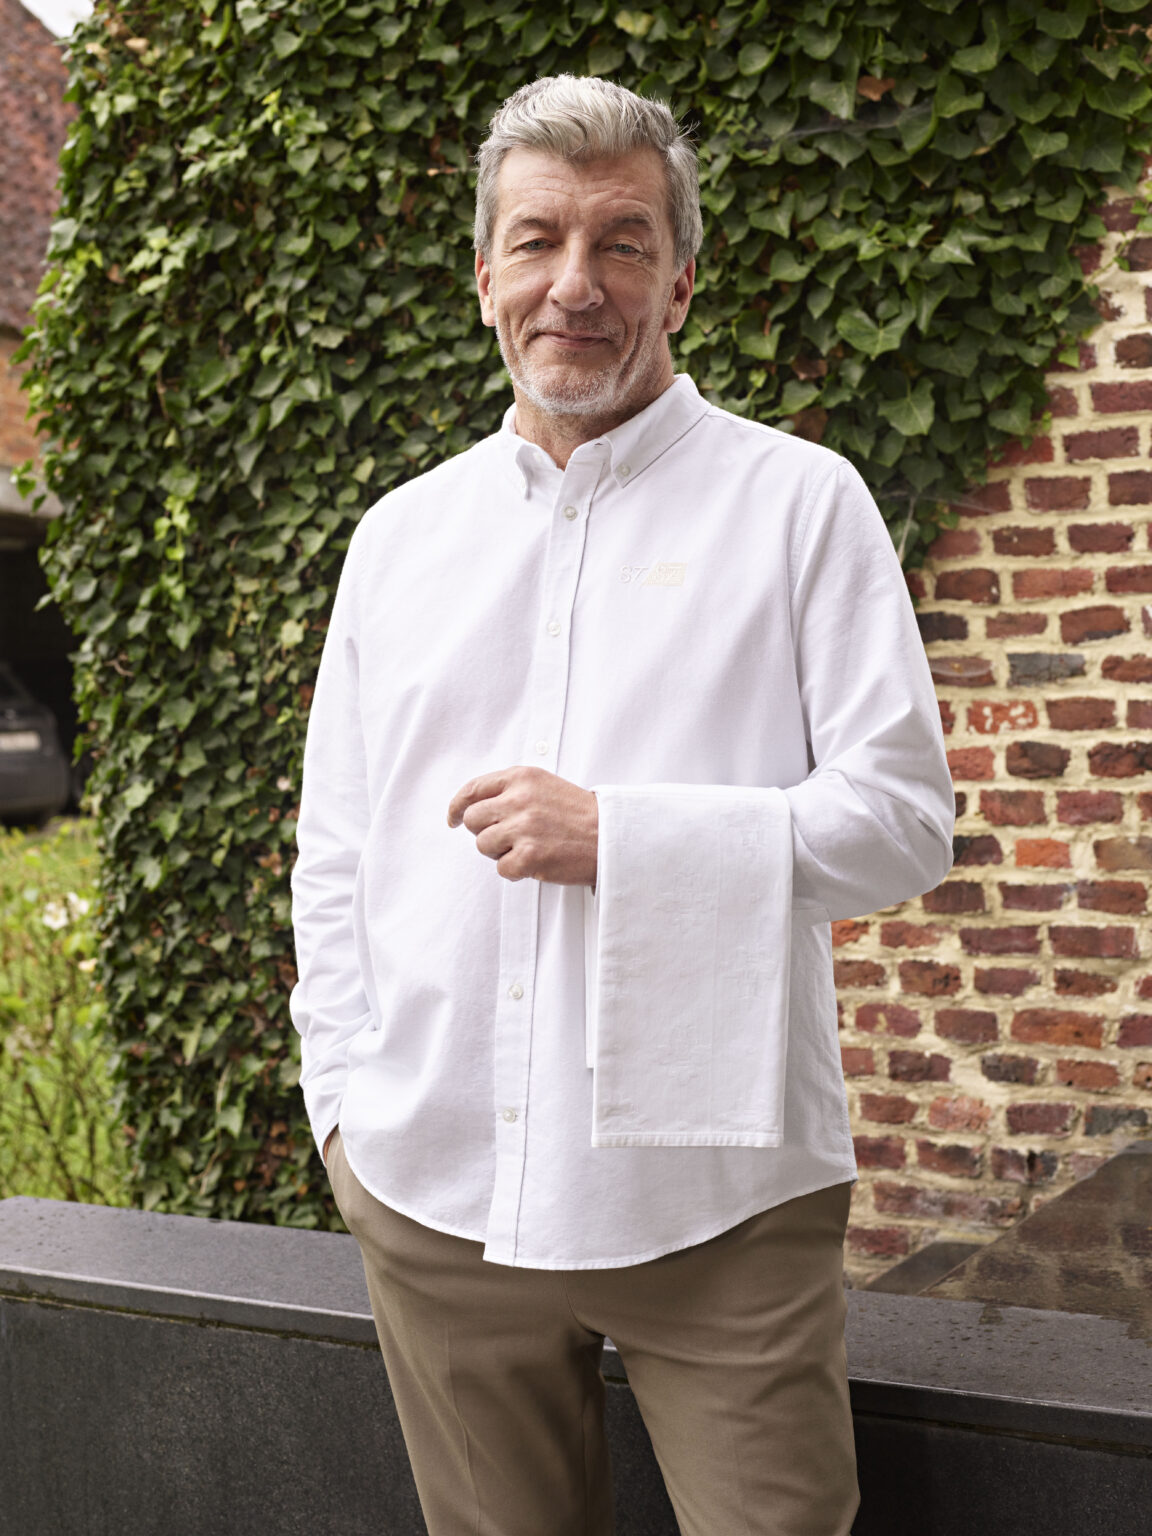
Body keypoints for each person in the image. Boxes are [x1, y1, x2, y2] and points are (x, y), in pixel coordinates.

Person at [290, 73, 954, 1536]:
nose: (575, 284)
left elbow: (905, 820)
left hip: (718, 1204)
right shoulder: (398, 539)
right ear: (485, 277)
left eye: (622, 243)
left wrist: (625, 838)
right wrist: (343, 1102)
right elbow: (335, 848)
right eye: (537, 241)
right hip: (433, 1189)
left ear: (682, 283)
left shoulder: (802, 504)